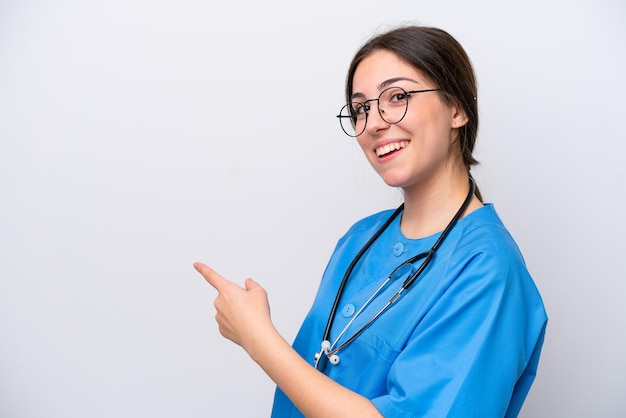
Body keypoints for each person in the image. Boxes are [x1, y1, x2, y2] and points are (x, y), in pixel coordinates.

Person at [194, 25, 547, 417]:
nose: (374, 123)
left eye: (397, 97)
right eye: (361, 107)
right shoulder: (359, 239)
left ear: (458, 109)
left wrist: (259, 339)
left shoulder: (487, 270)